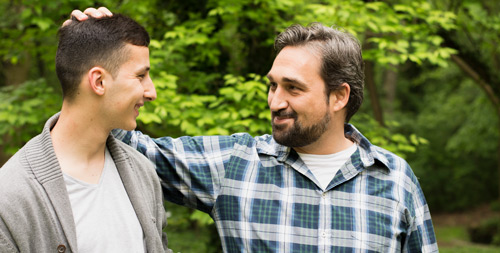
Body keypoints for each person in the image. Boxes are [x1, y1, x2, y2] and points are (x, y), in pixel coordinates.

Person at [72, 8, 438, 252]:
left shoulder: (395, 181)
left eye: (293, 88)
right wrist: (87, 56)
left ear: (339, 96)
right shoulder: (235, 165)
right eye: (272, 85)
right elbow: (122, 140)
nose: (275, 101)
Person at [0, 14, 170, 252]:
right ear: (98, 81)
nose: (151, 92)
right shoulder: (10, 196)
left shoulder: (142, 173)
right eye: (140, 76)